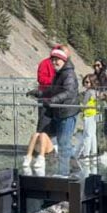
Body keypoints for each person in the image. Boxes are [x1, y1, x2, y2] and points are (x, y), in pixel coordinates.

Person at [23, 45, 66, 172]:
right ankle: (40, 154)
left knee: (55, 124)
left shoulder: (60, 66)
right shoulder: (45, 63)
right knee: (43, 125)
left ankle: (50, 150)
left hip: (56, 100)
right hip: (46, 99)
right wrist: (55, 83)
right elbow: (41, 79)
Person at [41, 47, 80, 177]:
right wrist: (39, 93)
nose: (54, 63)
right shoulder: (59, 74)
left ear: (63, 60)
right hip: (60, 112)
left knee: (64, 142)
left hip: (67, 112)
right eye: (52, 60)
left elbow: (68, 92)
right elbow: (54, 90)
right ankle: (75, 169)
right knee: (63, 142)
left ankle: (64, 173)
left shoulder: (68, 74)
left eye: (56, 60)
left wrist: (53, 100)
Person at [78, 74, 98, 160]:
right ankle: (94, 153)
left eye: (87, 82)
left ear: (92, 83)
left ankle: (85, 154)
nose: (85, 84)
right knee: (93, 135)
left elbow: (84, 103)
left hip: (88, 114)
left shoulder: (89, 92)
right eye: (85, 82)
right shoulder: (95, 92)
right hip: (94, 114)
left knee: (87, 135)